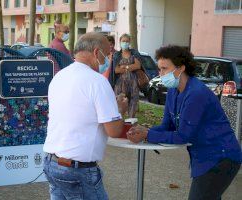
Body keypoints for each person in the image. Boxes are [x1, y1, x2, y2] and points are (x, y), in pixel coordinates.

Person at [127, 45, 242, 200]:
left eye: (164, 69)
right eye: (159, 69)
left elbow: (183, 136)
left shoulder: (196, 93)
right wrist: (143, 130)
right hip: (204, 158)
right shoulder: (173, 91)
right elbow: (166, 126)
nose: (160, 74)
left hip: (221, 158)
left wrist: (148, 134)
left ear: (181, 68)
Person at [43, 32, 128, 199]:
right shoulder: (98, 82)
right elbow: (114, 131)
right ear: (97, 53)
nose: (108, 59)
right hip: (78, 170)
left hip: (51, 162)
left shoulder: (59, 76)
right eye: (108, 54)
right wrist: (120, 110)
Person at [112, 33, 141, 118]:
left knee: (133, 104)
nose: (125, 43)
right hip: (120, 84)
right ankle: (118, 123)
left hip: (133, 83)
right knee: (118, 104)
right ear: (120, 42)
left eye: (127, 41)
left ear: (130, 42)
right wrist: (130, 67)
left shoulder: (134, 53)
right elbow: (116, 70)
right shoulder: (117, 55)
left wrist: (125, 66)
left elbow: (138, 66)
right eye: (123, 41)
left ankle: (131, 124)